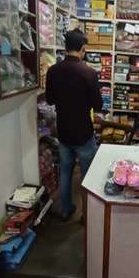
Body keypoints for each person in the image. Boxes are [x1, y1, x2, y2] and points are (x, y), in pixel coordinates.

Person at [46, 28, 102, 222]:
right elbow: (98, 104)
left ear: (65, 46)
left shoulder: (53, 71)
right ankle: (87, 215)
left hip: (63, 132)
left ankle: (66, 209)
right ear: (83, 48)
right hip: (83, 133)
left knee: (65, 172)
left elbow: (50, 99)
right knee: (88, 176)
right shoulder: (88, 73)